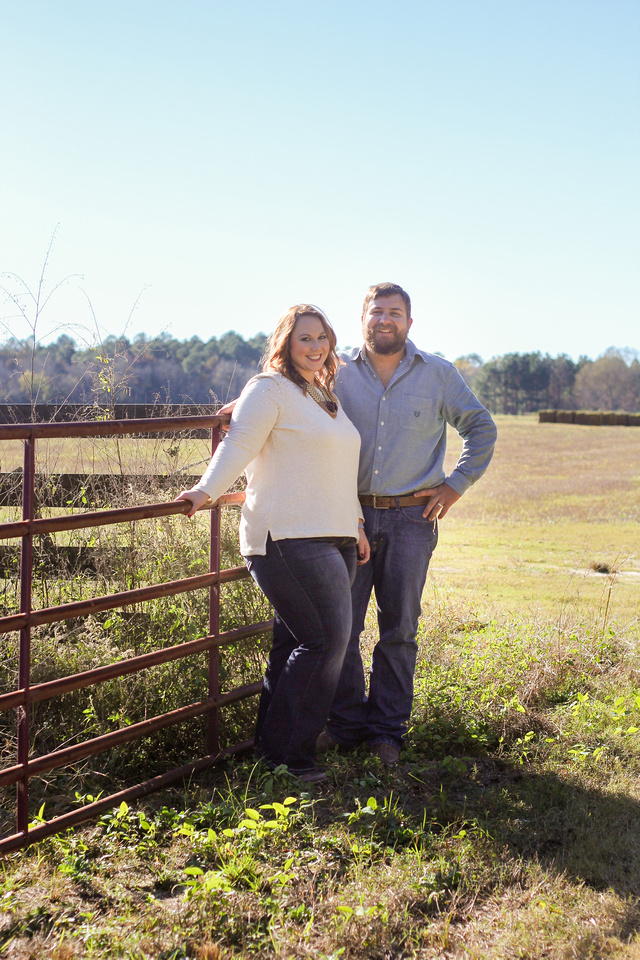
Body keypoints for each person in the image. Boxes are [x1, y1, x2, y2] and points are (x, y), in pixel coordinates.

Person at [175, 304, 370, 782]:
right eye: (305, 338)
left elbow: (338, 469)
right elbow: (239, 443)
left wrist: (358, 523)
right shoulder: (269, 389)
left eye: (322, 338)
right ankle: (290, 755)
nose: (316, 347)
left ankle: (270, 746)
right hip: (285, 536)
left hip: (337, 534)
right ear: (286, 341)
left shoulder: (325, 396)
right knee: (325, 641)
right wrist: (205, 491)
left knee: (295, 642)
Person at [318, 282, 497, 764]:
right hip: (346, 517)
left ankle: (386, 734)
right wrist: (242, 407)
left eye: (394, 313)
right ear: (363, 320)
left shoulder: (438, 374)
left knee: (399, 628)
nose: (384, 320)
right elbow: (285, 401)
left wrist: (455, 484)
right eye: (376, 312)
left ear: (409, 323)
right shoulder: (334, 373)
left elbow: (481, 427)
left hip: (412, 520)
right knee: (343, 627)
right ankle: (347, 725)